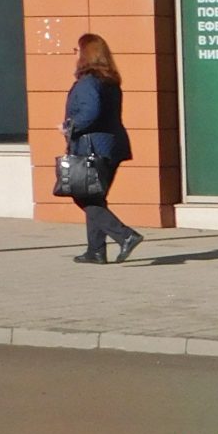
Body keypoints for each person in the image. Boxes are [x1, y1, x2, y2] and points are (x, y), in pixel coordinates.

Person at [62, 33, 141, 264]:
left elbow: (90, 112)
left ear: (86, 53)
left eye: (76, 49)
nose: (74, 54)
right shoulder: (109, 81)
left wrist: (69, 126)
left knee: (84, 197)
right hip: (111, 146)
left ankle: (125, 235)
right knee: (95, 198)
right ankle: (95, 250)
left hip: (93, 146)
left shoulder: (88, 82)